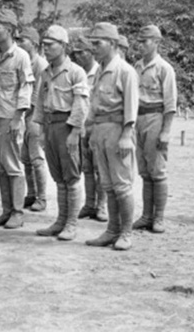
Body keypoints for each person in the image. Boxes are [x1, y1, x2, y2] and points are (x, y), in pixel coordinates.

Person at [84, 22, 139, 251]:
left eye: (98, 43)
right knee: (107, 184)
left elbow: (131, 106)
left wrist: (127, 135)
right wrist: (90, 130)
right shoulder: (99, 71)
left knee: (122, 185)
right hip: (100, 131)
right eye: (92, 43)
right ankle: (111, 230)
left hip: (118, 131)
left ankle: (126, 232)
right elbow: (95, 105)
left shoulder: (125, 71)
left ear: (113, 44)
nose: (93, 48)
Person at [33, 26, 89, 240]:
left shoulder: (75, 72)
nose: (45, 49)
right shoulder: (45, 72)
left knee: (71, 177)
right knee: (58, 177)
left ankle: (71, 224)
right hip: (50, 125)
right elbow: (40, 100)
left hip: (67, 126)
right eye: (44, 45)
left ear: (63, 46)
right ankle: (61, 220)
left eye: (50, 45)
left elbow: (81, 104)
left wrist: (75, 132)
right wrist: (39, 129)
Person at [0, 9, 34, 229]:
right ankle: (6, 210)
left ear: (10, 30)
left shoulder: (20, 56)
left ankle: (17, 212)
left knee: (12, 165)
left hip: (9, 117)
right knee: (0, 166)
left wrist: (18, 116)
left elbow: (26, 87)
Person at [132, 25, 177, 234]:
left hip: (156, 118)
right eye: (139, 41)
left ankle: (158, 217)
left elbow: (170, 105)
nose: (141, 45)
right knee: (145, 171)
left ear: (157, 42)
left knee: (158, 171)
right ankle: (146, 216)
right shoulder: (138, 66)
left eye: (146, 41)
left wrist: (166, 132)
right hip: (139, 119)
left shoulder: (164, 68)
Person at [70, 35, 107, 222]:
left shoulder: (100, 72)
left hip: (98, 126)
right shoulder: (76, 72)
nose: (78, 56)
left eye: (82, 52)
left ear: (91, 53)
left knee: (100, 168)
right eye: (75, 53)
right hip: (82, 126)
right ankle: (89, 204)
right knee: (86, 168)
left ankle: (101, 206)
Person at [17, 26, 50, 212]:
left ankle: (42, 197)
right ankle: (31, 194)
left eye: (23, 40)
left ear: (34, 44)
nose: (19, 43)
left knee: (36, 157)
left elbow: (38, 95)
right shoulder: (24, 61)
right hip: (25, 114)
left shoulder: (41, 64)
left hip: (36, 115)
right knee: (25, 158)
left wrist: (28, 117)